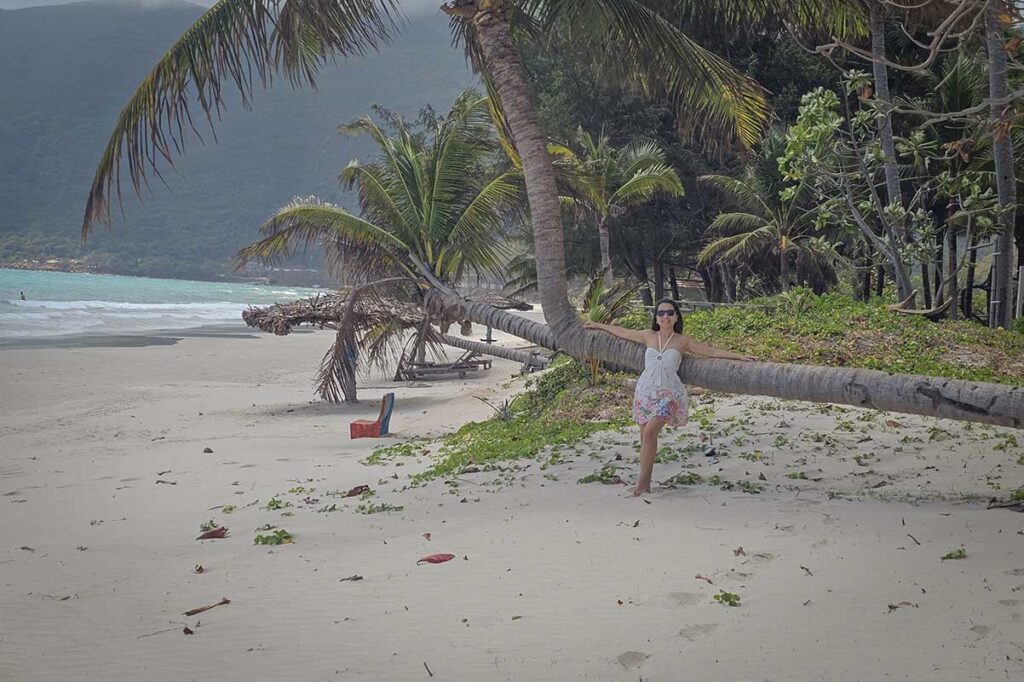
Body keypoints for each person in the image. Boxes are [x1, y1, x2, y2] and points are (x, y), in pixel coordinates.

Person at [584, 299, 755, 496]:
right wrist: (597, 325)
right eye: (661, 313)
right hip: (645, 391)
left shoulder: (683, 341)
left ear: (676, 317)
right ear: (656, 317)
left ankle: (641, 484)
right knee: (644, 437)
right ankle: (645, 483)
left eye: (669, 313)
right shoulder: (648, 335)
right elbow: (622, 332)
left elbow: (712, 352)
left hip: (669, 394)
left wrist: (739, 356)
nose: (665, 316)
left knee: (649, 434)